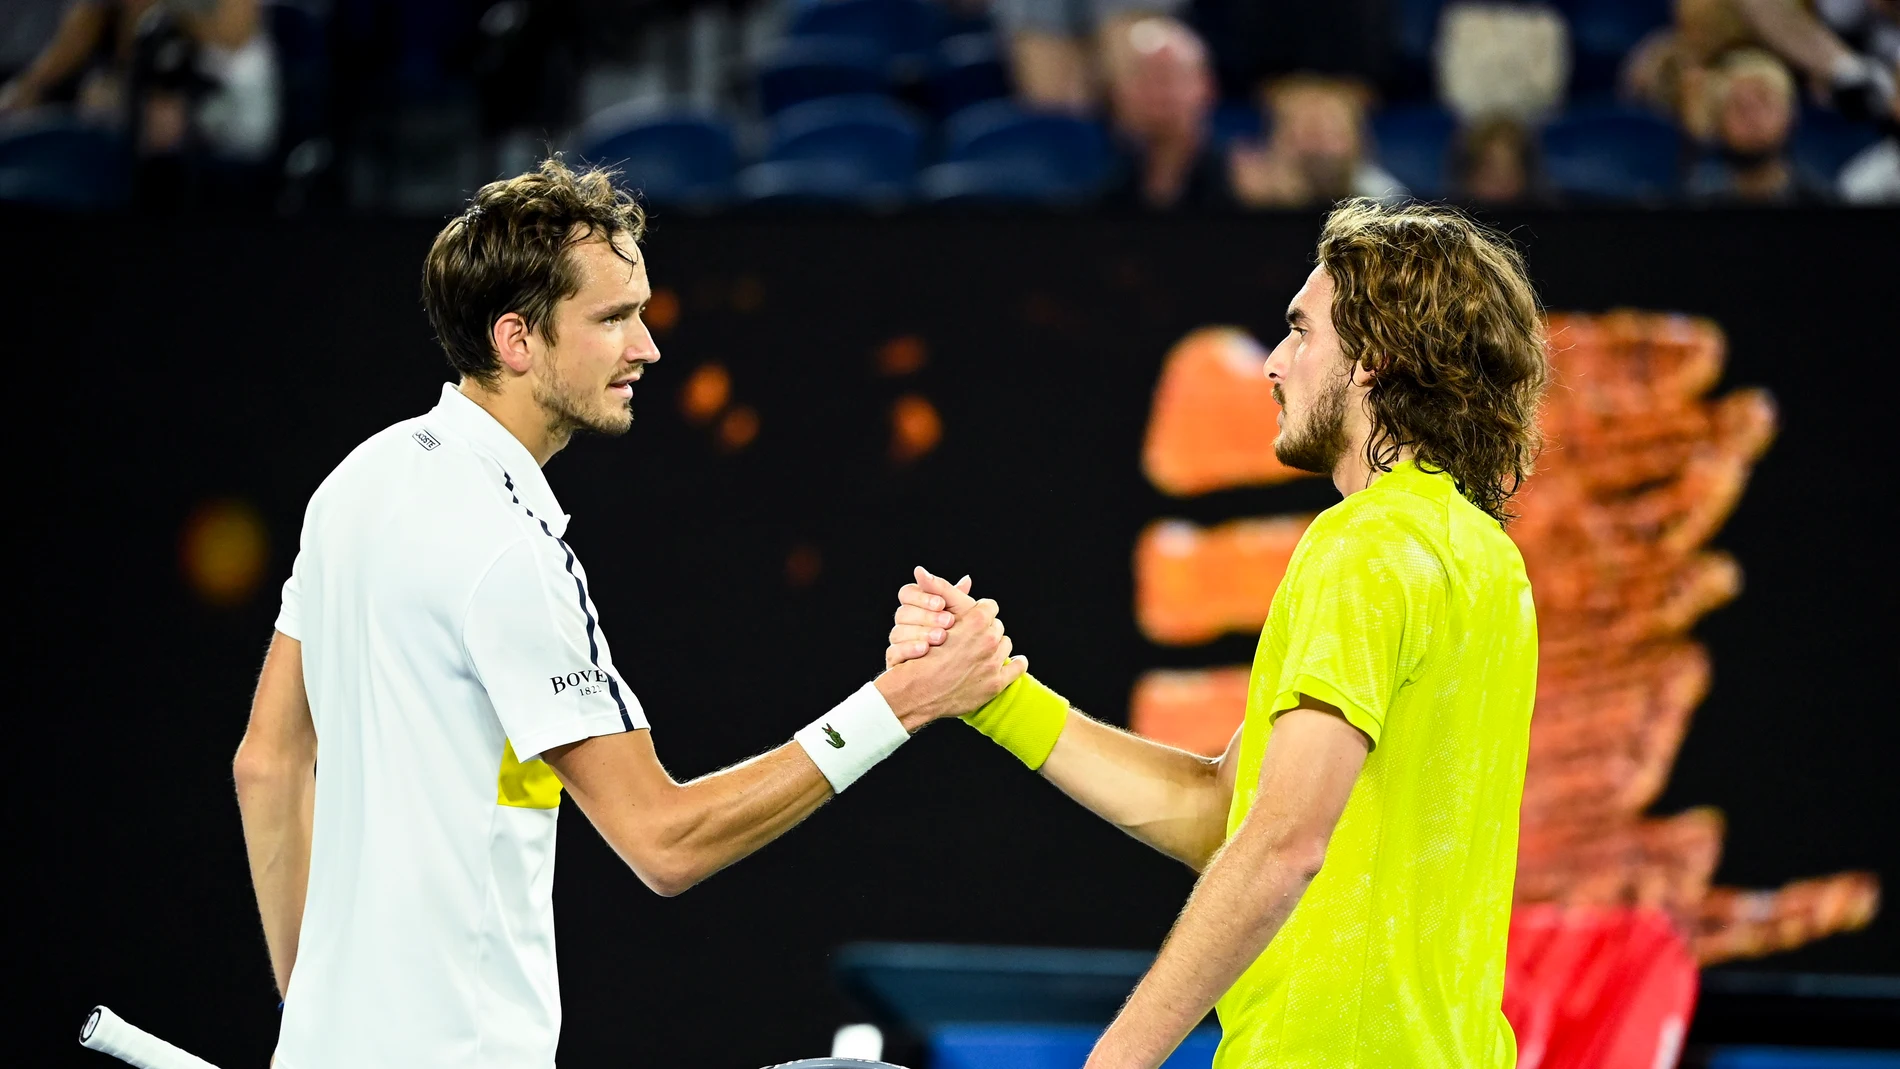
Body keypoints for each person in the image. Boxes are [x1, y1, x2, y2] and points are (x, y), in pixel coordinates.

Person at [232, 158, 1025, 1069]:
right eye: (613, 319)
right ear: (517, 340)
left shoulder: (356, 484)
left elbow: (269, 761)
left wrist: (316, 1010)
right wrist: (902, 703)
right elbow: (665, 839)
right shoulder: (509, 551)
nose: (646, 347)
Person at [887, 199, 1548, 1069]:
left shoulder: (1364, 547)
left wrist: (1118, 1057)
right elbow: (1222, 813)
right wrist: (998, 697)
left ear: (1375, 360)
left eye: (1301, 332)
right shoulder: (1487, 560)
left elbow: (1281, 846)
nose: (1274, 363)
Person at [1102, 17, 1235, 210]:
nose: (1156, 94)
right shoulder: (1107, 189)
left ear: (1207, 87)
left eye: (1167, 78)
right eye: (1143, 78)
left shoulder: (1240, 186)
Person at [1228, 75, 1407, 207]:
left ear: (1358, 140)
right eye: (1307, 133)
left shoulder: (1384, 199)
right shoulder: (1247, 196)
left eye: (1331, 133)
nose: (1319, 148)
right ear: (1279, 140)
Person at [1687, 49, 1834, 202]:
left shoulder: (1822, 204)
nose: (1752, 116)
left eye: (1764, 101)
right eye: (1738, 106)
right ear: (1716, 122)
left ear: (1790, 113)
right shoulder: (1695, 206)